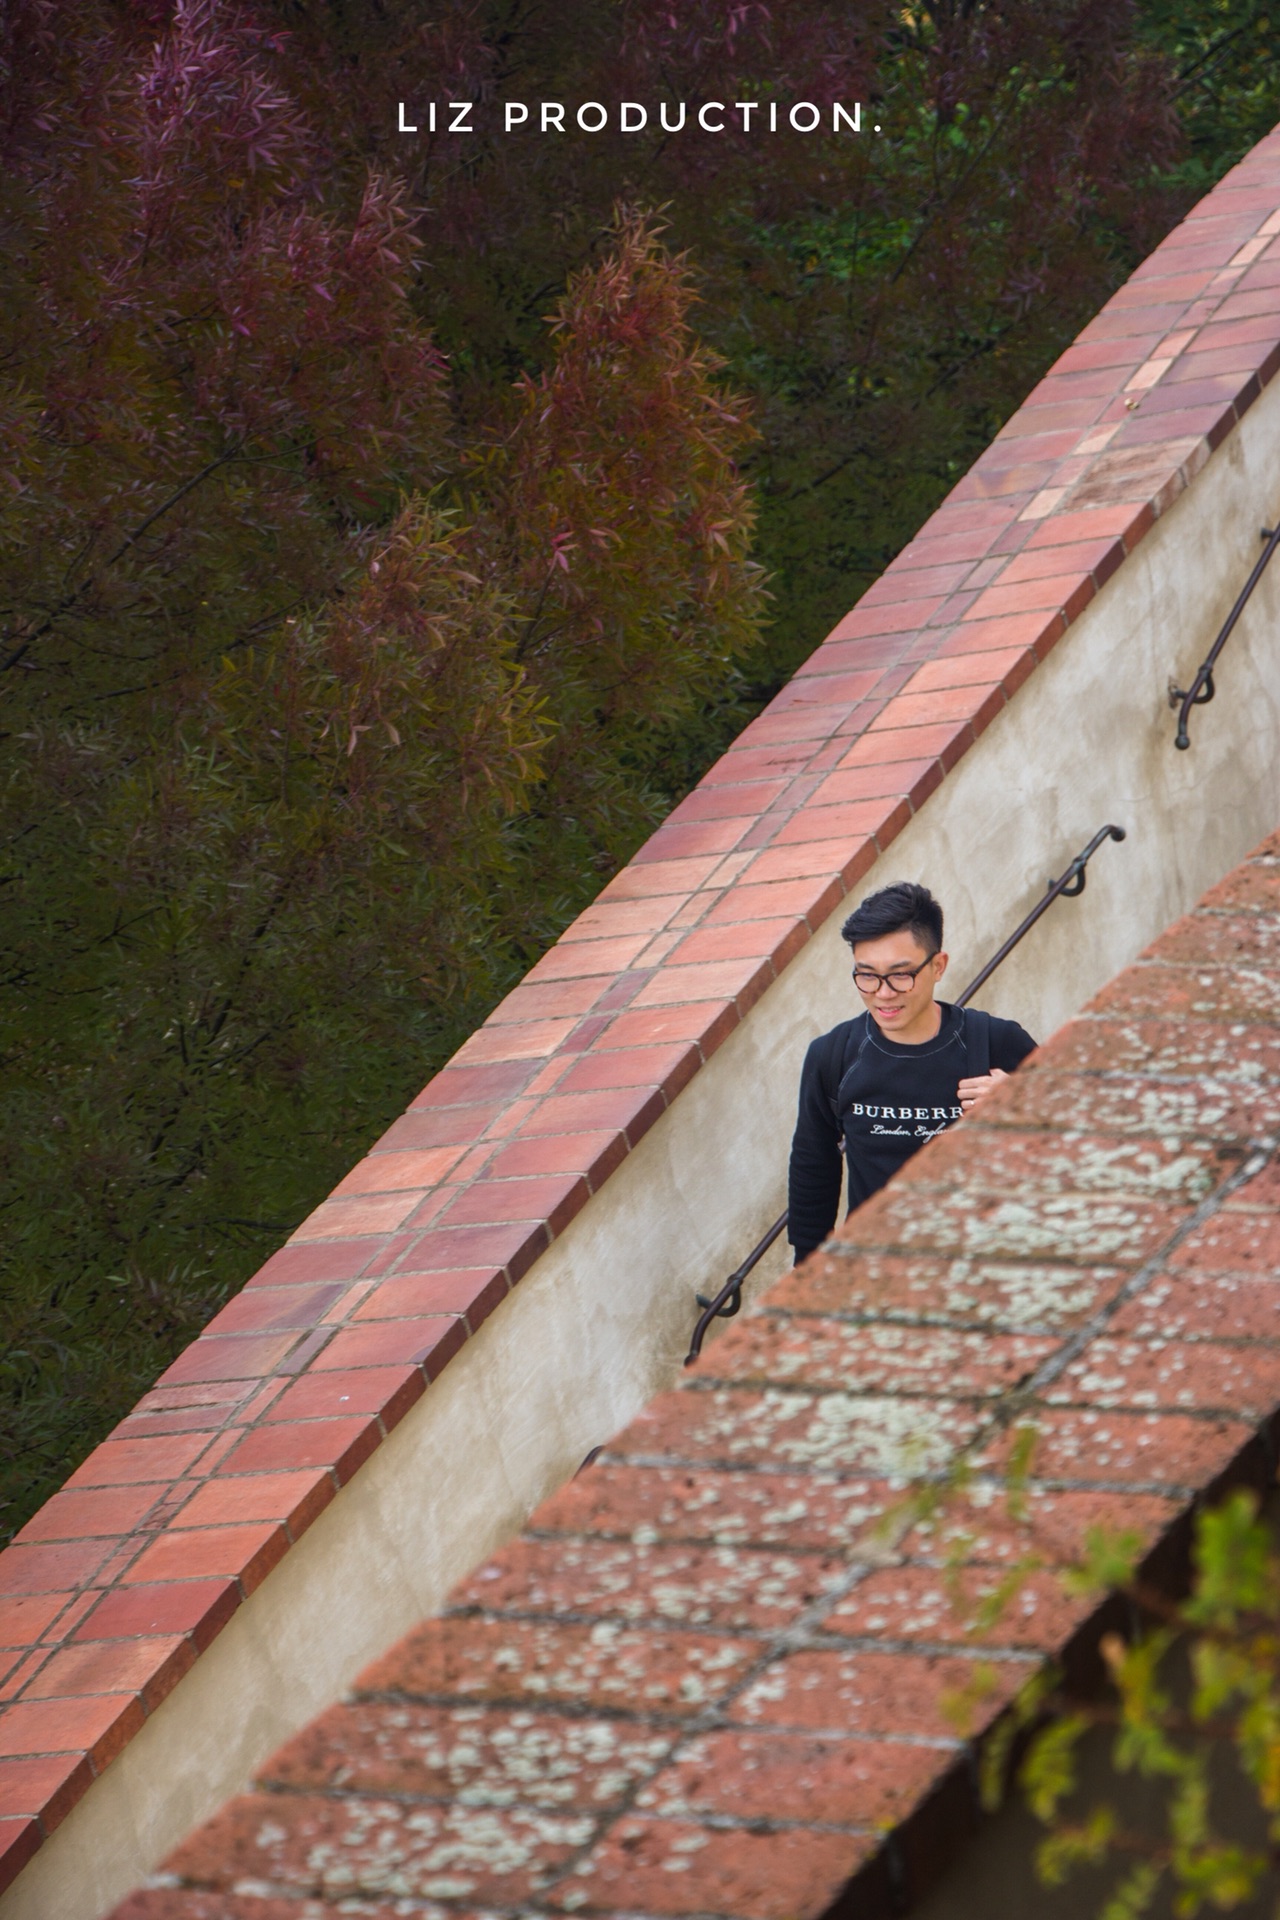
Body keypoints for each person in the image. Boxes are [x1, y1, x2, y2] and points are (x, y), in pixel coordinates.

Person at [787, 880, 1037, 1264]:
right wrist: (807, 1270)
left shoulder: (997, 1042)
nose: (883, 993)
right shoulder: (834, 1055)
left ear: (938, 966)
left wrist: (1026, 1104)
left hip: (987, 1269)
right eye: (866, 975)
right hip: (880, 1275)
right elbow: (813, 1165)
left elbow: (1087, 1136)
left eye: (901, 974)